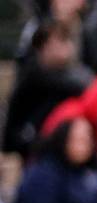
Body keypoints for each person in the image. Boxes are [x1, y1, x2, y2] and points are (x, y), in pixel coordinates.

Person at [2, 20, 92, 158]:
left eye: (67, 40)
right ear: (44, 47)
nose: (66, 47)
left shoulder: (69, 71)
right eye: (60, 41)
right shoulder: (34, 73)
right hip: (29, 144)